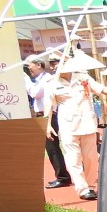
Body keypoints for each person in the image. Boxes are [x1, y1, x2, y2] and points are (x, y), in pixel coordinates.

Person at [45, 66, 107, 201]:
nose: (55, 66)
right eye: (54, 63)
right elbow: (48, 106)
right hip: (68, 126)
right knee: (73, 158)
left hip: (87, 124)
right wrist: (47, 125)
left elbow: (103, 90)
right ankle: (83, 189)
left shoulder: (83, 78)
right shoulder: (52, 83)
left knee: (91, 158)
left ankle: (91, 186)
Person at [25, 54, 72, 189]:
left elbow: (35, 93)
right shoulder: (37, 79)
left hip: (51, 115)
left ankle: (63, 177)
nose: (28, 69)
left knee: (54, 147)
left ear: (39, 65)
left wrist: (25, 78)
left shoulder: (47, 79)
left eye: (29, 66)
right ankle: (62, 175)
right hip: (42, 115)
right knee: (51, 148)